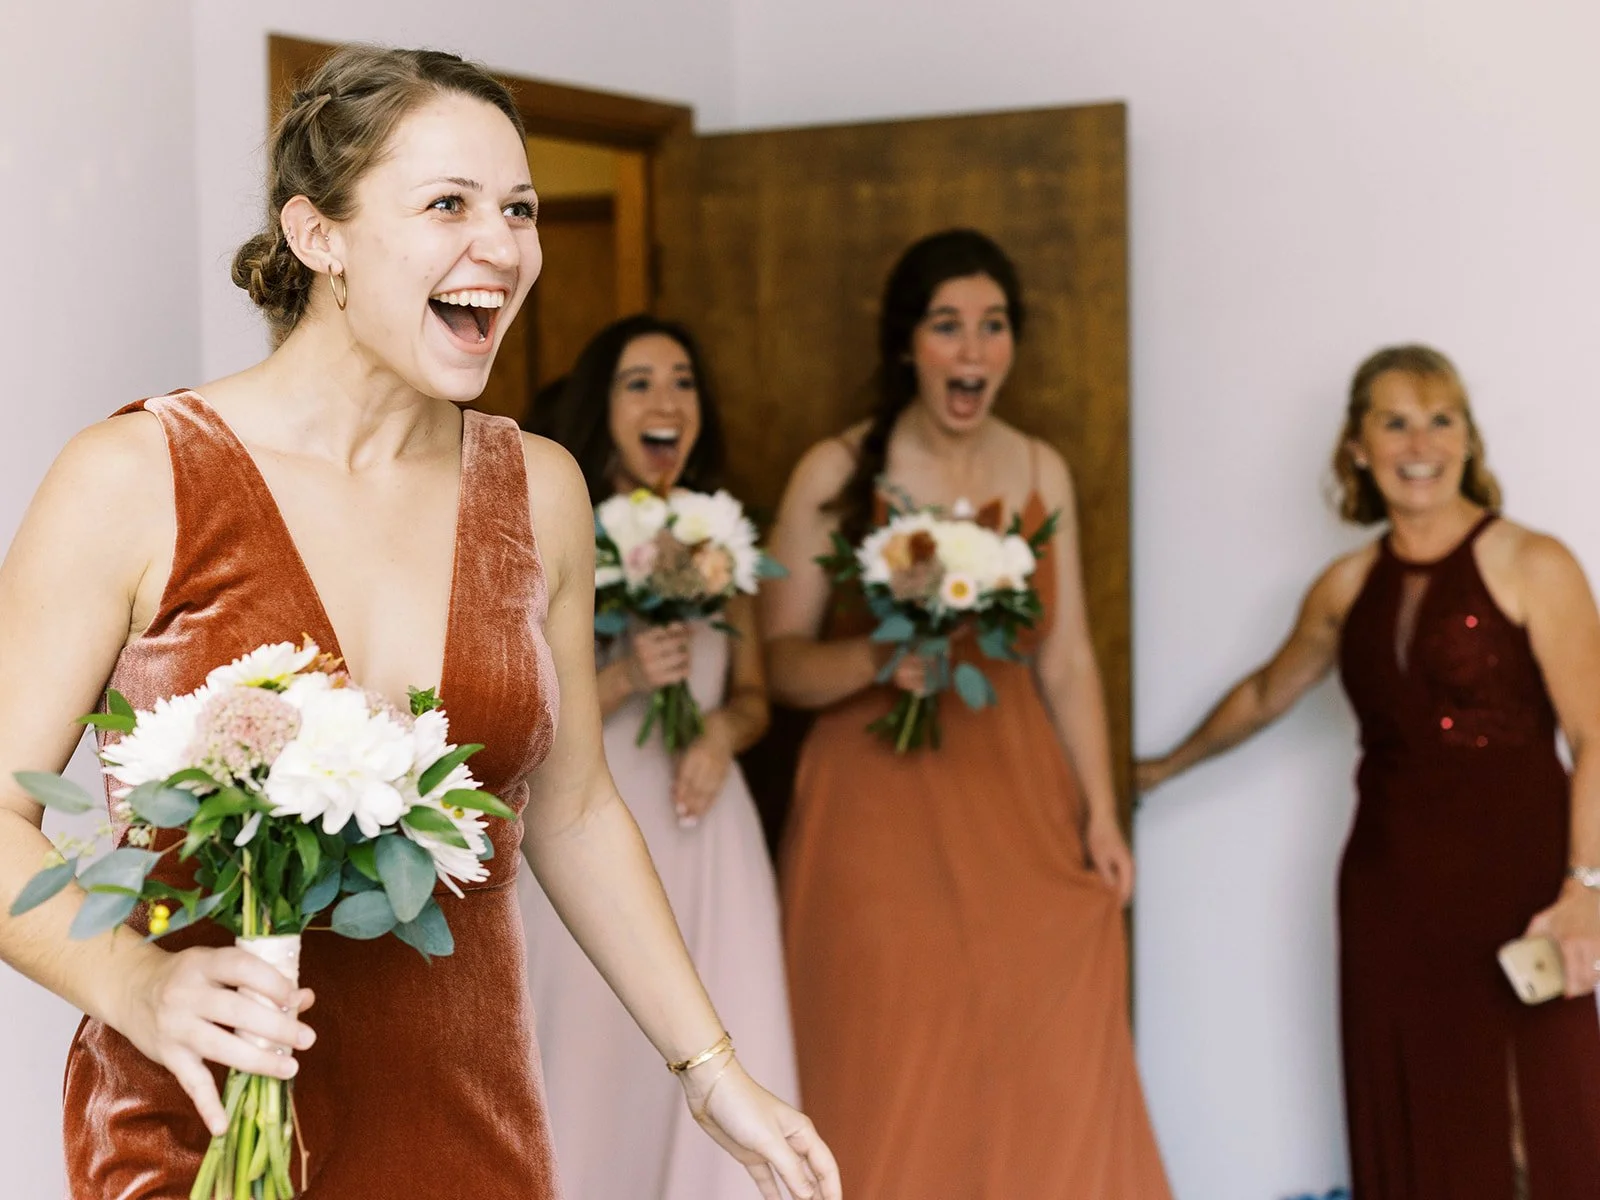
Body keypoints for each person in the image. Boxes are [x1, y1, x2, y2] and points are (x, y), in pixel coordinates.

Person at [0, 46, 836, 1200]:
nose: (500, 245)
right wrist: (137, 985)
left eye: (520, 209)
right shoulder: (134, 476)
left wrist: (710, 1070)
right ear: (317, 235)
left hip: (467, 1122)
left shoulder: (538, 490)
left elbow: (579, 812)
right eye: (448, 203)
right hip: (198, 1130)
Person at [761, 228, 1170, 1198]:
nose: (974, 351)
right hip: (875, 812)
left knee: (1044, 1045)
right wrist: (879, 657)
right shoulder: (834, 470)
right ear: (909, 343)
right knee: (890, 1047)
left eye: (992, 327)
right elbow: (777, 665)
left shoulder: (1039, 469)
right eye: (949, 327)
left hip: (1017, 796)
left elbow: (1066, 661)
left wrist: (1100, 814)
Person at [1137, 344, 1600, 1197]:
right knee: (1416, 1116)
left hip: (1521, 889)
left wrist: (1587, 889)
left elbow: (1596, 732)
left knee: (1534, 1125)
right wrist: (1158, 769)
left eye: (1440, 419)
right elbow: (1268, 692)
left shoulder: (1536, 563)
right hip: (1391, 894)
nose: (1417, 442)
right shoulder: (1345, 585)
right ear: (1356, 445)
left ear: (1467, 440)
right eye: (1393, 421)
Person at [516, 314, 800, 1199]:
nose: (666, 400)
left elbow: (754, 696)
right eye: (639, 383)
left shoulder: (726, 544)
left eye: (682, 382)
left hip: (707, 828)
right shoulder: (554, 532)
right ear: (604, 407)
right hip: (593, 826)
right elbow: (526, 714)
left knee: (727, 1035)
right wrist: (632, 673)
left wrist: (719, 733)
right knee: (598, 1055)